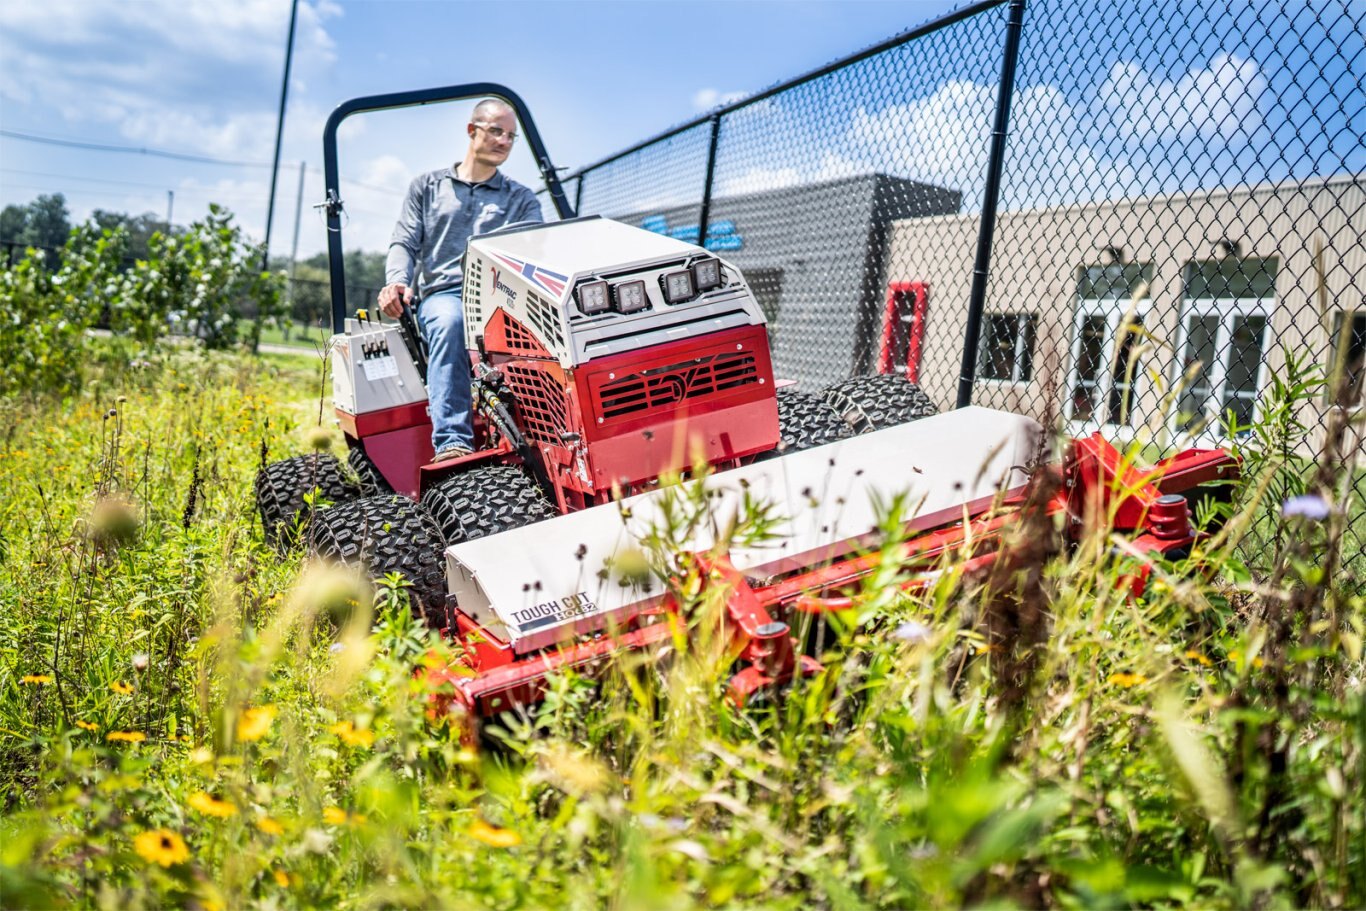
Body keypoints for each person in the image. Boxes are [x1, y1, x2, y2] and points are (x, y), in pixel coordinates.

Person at [378, 98, 543, 462]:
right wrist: (396, 281)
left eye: (511, 137)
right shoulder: (426, 187)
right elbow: (404, 241)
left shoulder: (522, 199)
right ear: (472, 130)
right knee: (452, 322)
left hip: (503, 298)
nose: (504, 141)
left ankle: (546, 437)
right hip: (446, 295)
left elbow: (538, 254)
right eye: (496, 131)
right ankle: (452, 441)